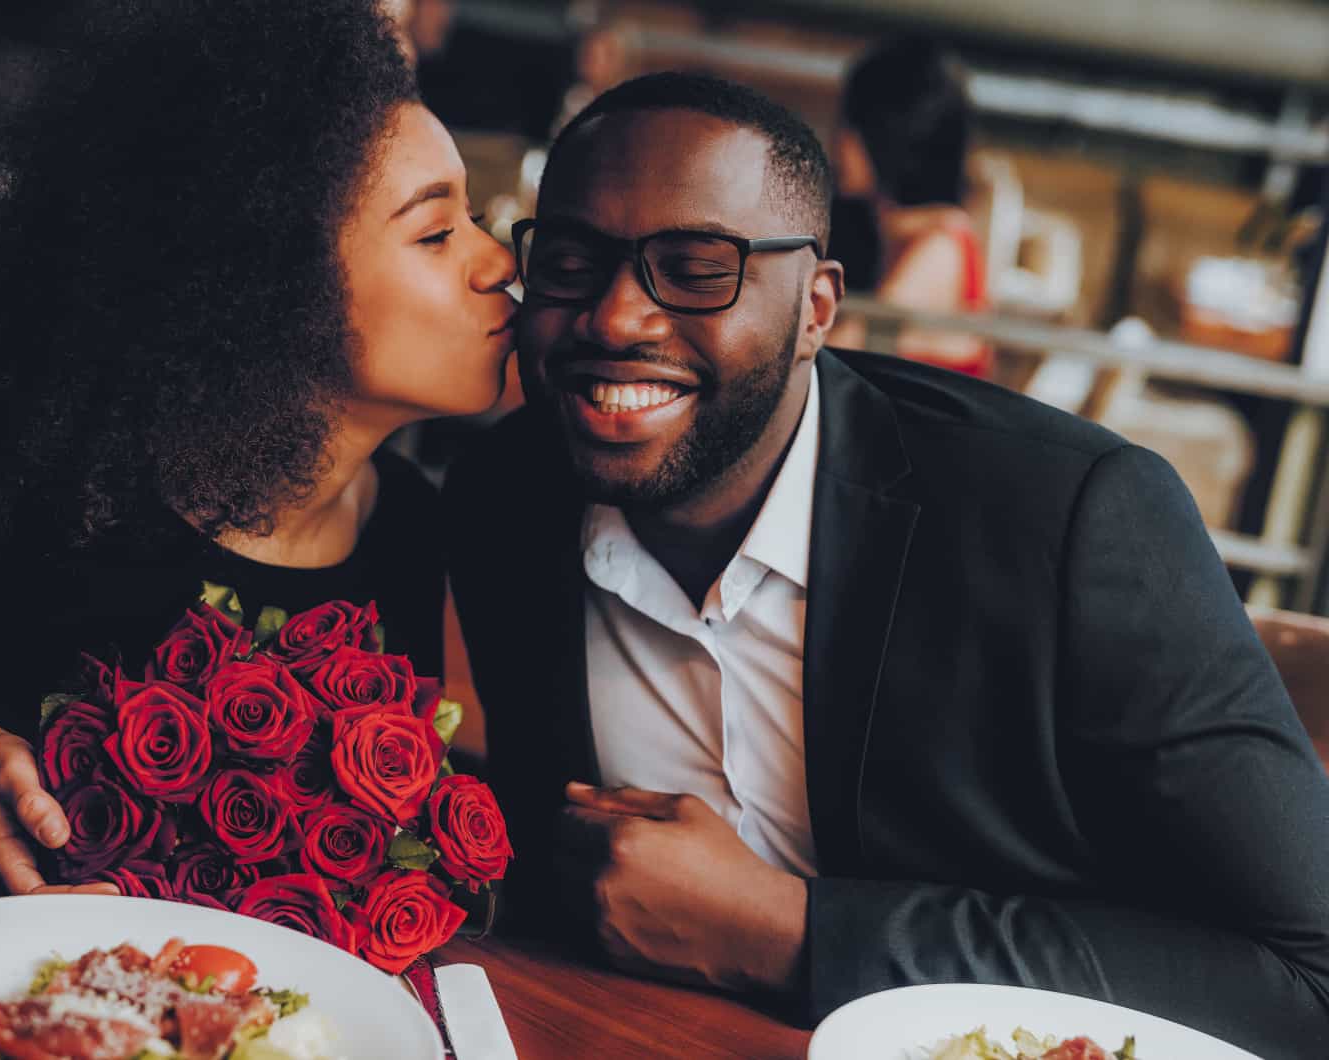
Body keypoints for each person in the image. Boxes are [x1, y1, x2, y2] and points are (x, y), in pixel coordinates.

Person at [442, 72, 1329, 1057]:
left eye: (696, 269)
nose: (614, 318)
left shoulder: (1073, 520)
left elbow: (1309, 975)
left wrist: (786, 932)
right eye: (570, 259)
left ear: (816, 308)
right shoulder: (503, 498)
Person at [0, 0, 515, 975]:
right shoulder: (72, 494)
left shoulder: (412, 529)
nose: (500, 264)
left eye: (477, 218)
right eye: (438, 234)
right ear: (273, 285)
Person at [827, 37, 993, 377]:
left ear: (888, 136)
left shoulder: (938, 247)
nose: (839, 139)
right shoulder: (892, 230)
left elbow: (837, 347)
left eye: (852, 124)